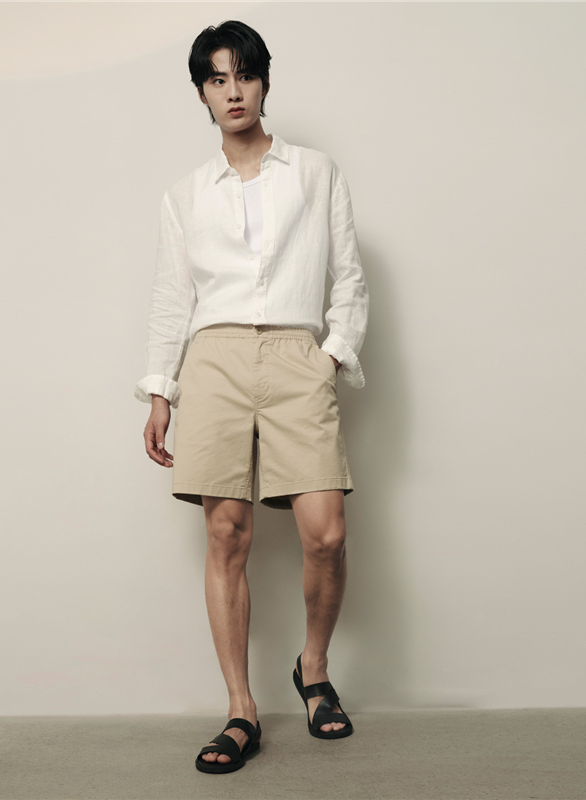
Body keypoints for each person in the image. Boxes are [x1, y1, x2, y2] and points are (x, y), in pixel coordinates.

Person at [134, 20, 369, 774]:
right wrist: (161, 389)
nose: (232, 91)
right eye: (217, 78)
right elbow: (172, 298)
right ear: (202, 93)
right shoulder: (184, 195)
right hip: (216, 359)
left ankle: (313, 668)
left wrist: (328, 356)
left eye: (244, 75)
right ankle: (241, 709)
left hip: (298, 353)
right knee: (227, 533)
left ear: (264, 82)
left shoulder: (316, 172)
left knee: (325, 532)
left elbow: (349, 275)